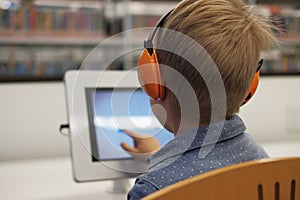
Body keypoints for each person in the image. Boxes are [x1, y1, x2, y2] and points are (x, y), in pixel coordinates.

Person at [120, 0, 277, 199]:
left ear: (154, 80)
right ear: (249, 86)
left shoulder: (153, 190)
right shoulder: (261, 161)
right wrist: (161, 158)